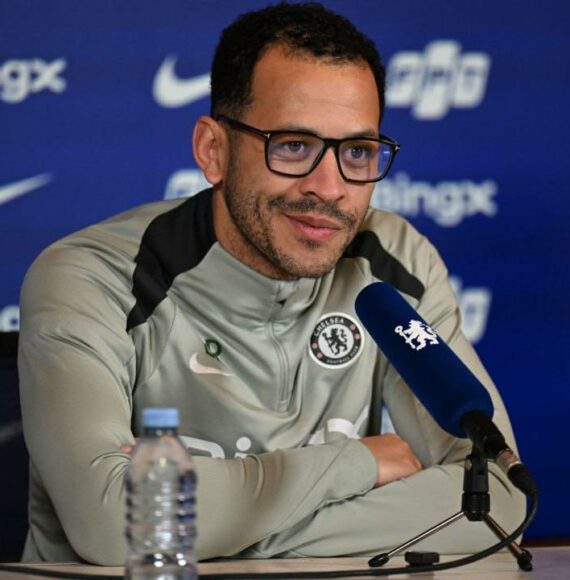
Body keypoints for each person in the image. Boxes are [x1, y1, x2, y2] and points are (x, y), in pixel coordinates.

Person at [18, 2, 525, 566]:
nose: (329, 187)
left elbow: (499, 501)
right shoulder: (94, 275)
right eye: (293, 146)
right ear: (213, 151)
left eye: (358, 152)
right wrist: (355, 465)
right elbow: (115, 525)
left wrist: (213, 529)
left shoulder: (395, 261)